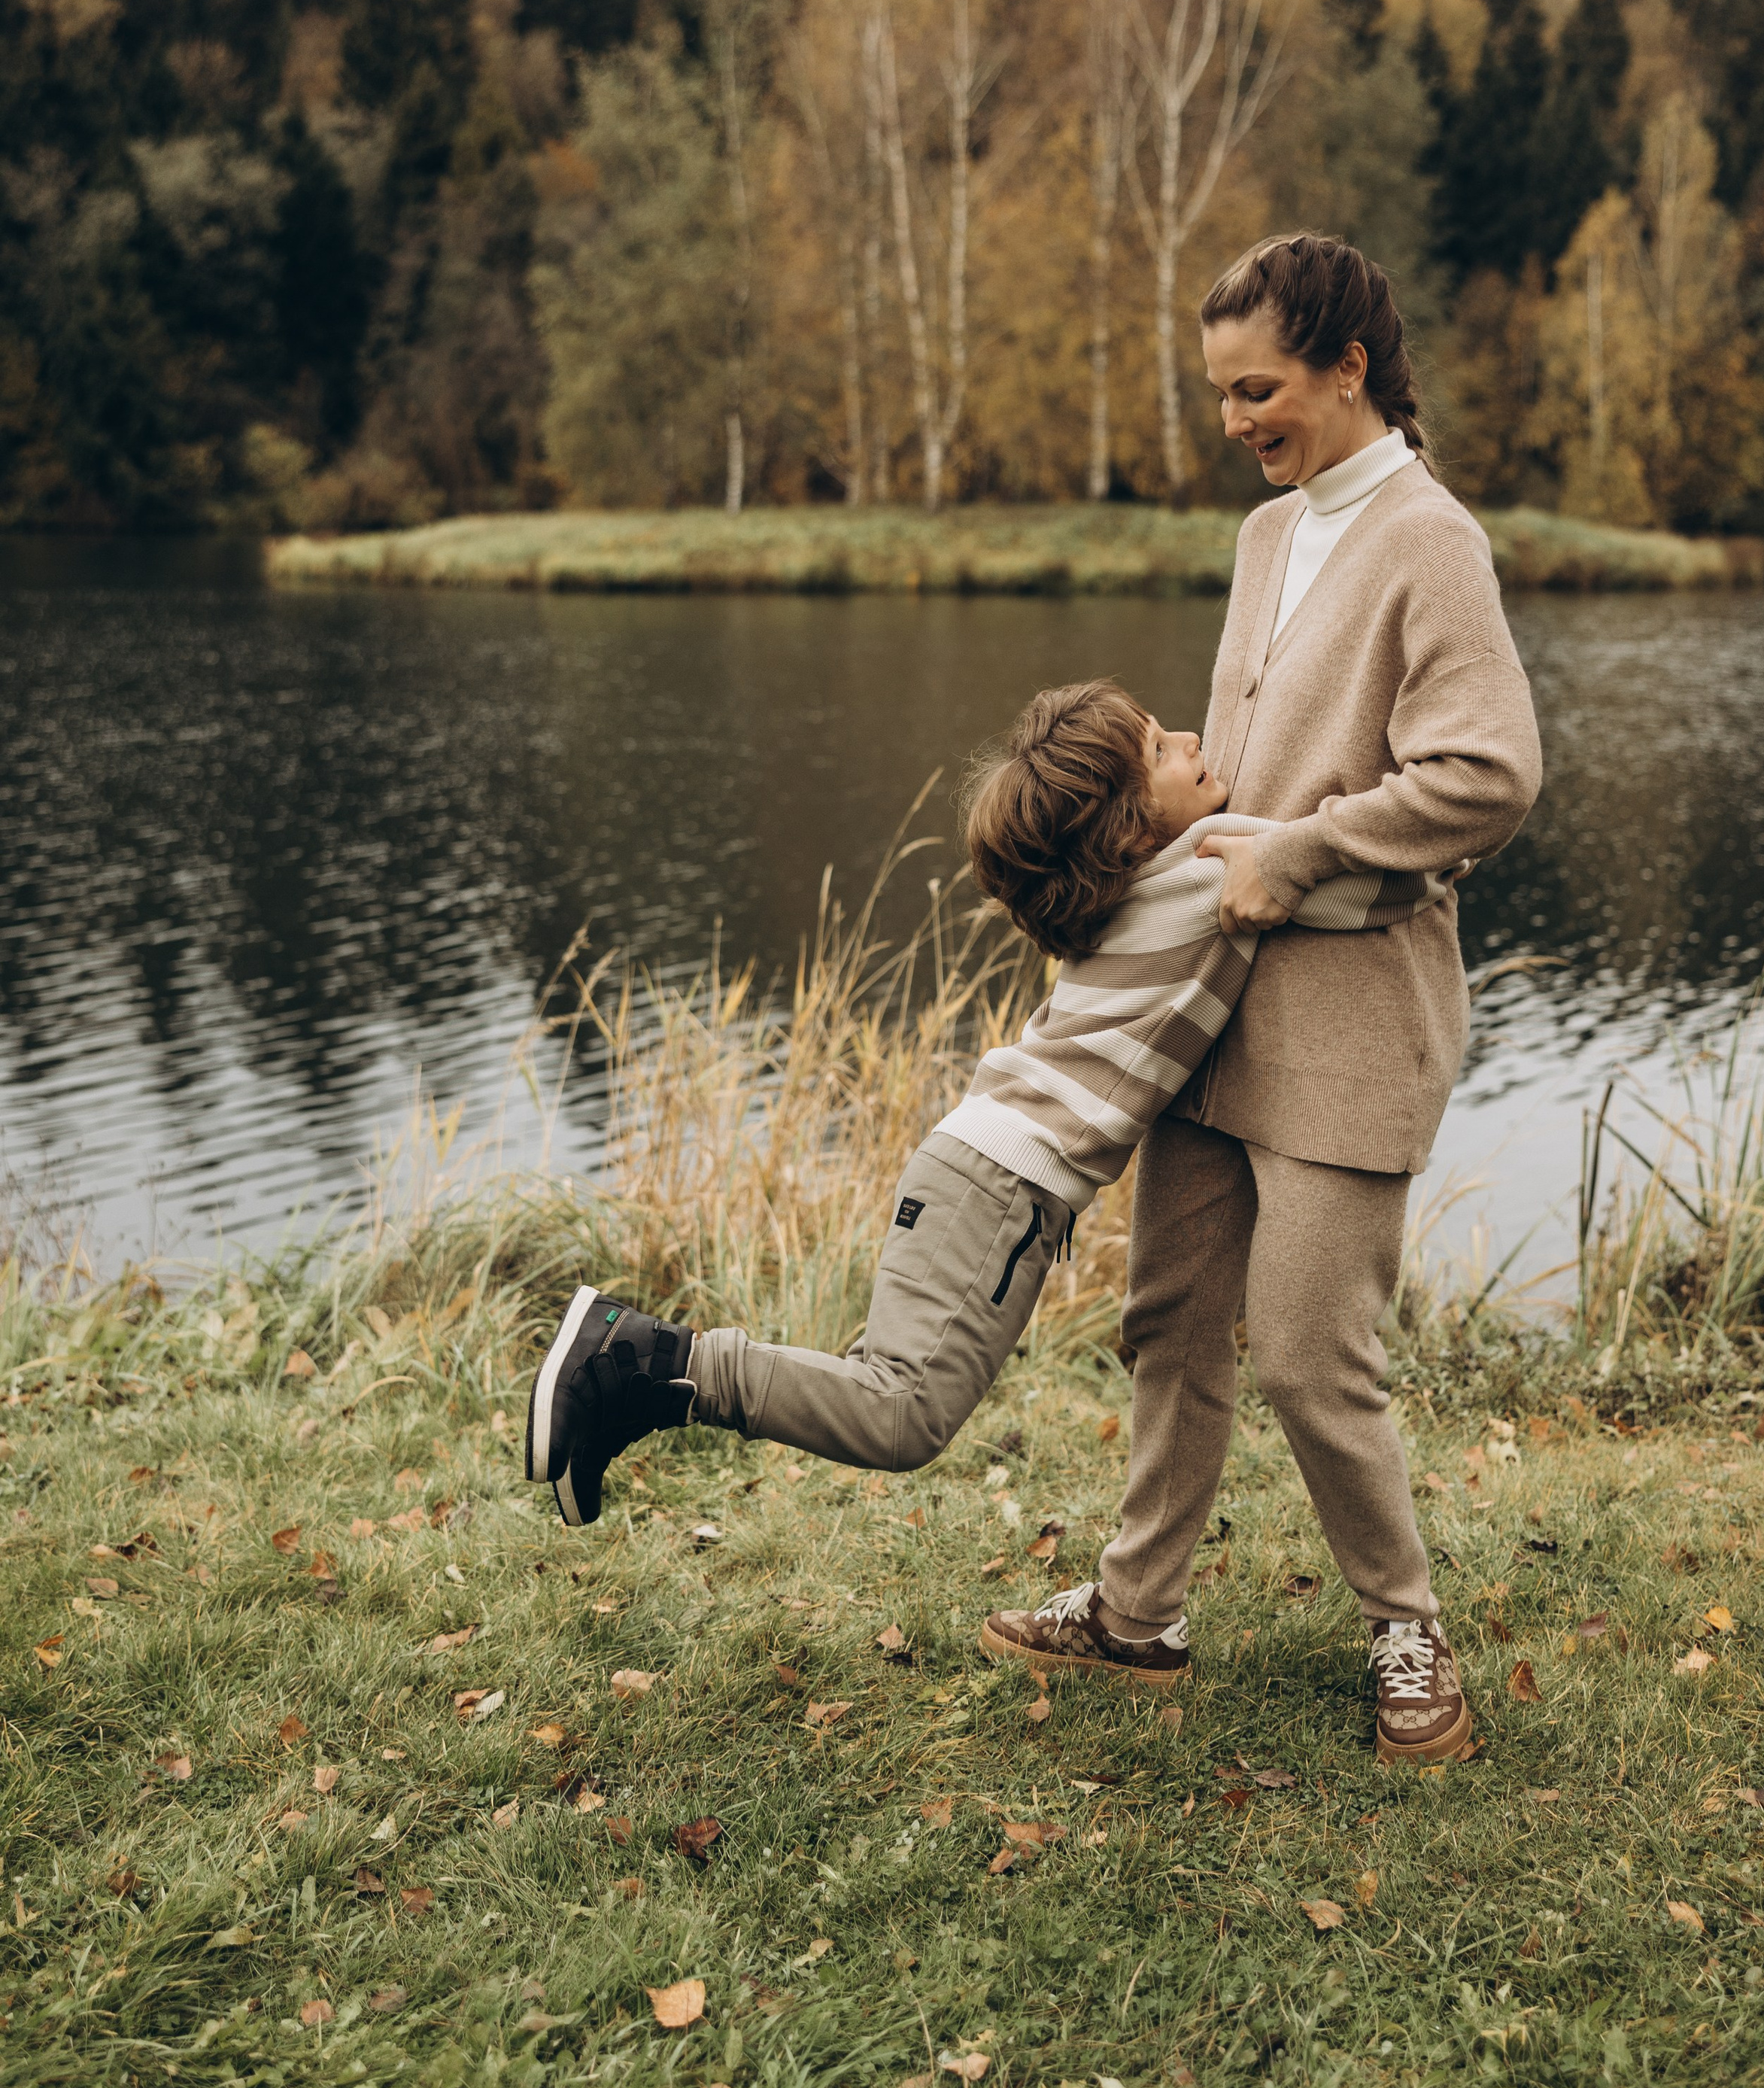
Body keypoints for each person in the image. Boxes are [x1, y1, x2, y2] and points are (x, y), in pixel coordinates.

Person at [985, 232, 1542, 1766]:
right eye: (1222, 392)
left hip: (1355, 1016)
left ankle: (1406, 1632)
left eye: (1259, 387)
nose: (1234, 419)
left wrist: (1301, 851)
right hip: (1208, 1016)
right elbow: (1230, 781)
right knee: (1171, 1323)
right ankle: (1136, 1615)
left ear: (1346, 368)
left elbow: (1490, 775)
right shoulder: (1261, 537)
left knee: (1307, 1353)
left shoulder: (1430, 544)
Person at [524, 677, 1453, 1537]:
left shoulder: (1125, 887)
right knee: (900, 1413)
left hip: (972, 1162)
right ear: (1130, 827)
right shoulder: (1215, 867)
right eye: (1159, 748)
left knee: (889, 1393)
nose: (1190, 737)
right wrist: (1429, 831)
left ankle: (630, 1384)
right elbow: (1389, 875)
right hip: (1004, 1183)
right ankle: (640, 1361)